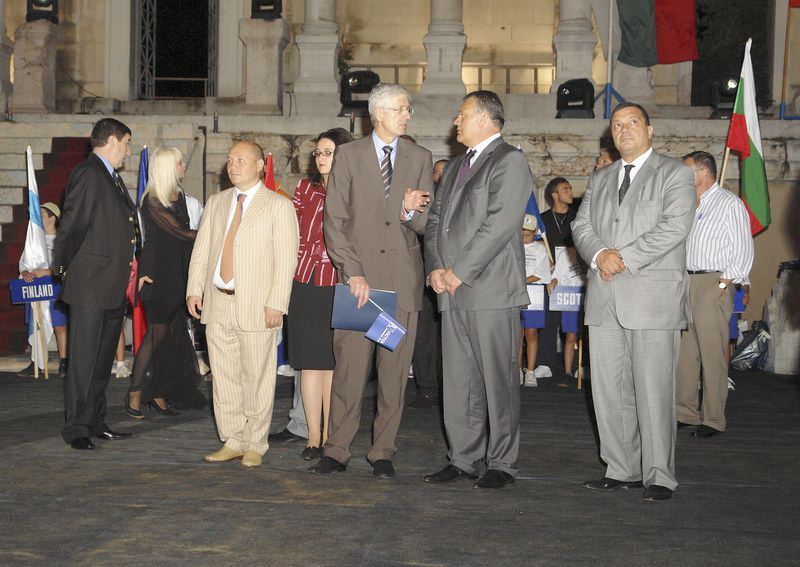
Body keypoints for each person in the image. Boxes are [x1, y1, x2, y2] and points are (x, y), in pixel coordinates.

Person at [571, 102, 695, 502]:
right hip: (604, 297)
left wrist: (621, 258)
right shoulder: (601, 177)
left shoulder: (674, 173)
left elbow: (675, 227)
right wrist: (598, 255)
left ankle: (659, 475)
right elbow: (581, 225)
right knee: (609, 391)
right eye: (616, 125)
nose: (624, 130)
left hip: (652, 298)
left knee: (654, 391)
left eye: (632, 123)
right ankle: (621, 468)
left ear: (649, 130)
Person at [310, 83, 433, 479]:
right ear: (378, 114)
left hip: (400, 285)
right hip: (359, 287)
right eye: (400, 109)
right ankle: (336, 450)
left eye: (408, 109)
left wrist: (408, 210)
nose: (407, 115)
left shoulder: (420, 157)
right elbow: (335, 220)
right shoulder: (348, 156)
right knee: (349, 373)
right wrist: (353, 272)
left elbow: (423, 224)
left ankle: (383, 452)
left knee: (393, 378)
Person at [424, 90, 532, 490]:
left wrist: (459, 271)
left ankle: (501, 461)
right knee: (458, 380)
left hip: (490, 289)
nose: (456, 121)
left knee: (498, 381)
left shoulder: (509, 160)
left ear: (486, 119)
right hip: (451, 289)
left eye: (463, 114)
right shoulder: (455, 165)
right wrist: (436, 268)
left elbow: (500, 224)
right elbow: (435, 220)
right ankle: (463, 457)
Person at [186, 140, 299, 468]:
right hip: (218, 302)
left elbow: (286, 261)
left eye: (240, 159)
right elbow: (202, 250)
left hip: (257, 305)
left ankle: (255, 443)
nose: (232, 165)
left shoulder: (278, 206)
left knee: (257, 377)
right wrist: (194, 289)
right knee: (224, 377)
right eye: (229, 159)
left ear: (260, 165)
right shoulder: (217, 202)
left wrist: (277, 303)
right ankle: (232, 439)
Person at [54, 117, 139, 451]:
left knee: (102, 361)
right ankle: (76, 428)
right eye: (127, 143)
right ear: (112, 140)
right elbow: (71, 225)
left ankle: (95, 421)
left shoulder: (110, 176)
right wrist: (63, 269)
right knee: (84, 362)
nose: (129, 152)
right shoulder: (89, 173)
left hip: (111, 284)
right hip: (90, 285)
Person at [125, 146, 208, 419]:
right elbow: (181, 233)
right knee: (155, 337)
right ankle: (135, 392)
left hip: (178, 276)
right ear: (169, 168)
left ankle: (158, 393)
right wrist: (214, 232)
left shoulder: (179, 196)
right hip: (158, 278)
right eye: (180, 162)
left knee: (168, 341)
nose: (184, 166)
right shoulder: (152, 201)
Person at [676, 151, 753, 438]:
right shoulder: (688, 204)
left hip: (713, 281)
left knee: (712, 353)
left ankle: (713, 418)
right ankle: (685, 412)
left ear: (703, 172)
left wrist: (723, 284)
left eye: (686, 171)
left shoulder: (729, 203)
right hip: (687, 281)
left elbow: (743, 249)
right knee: (686, 353)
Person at [287, 127, 354, 461]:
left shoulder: (357, 193)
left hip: (339, 284)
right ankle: (312, 436)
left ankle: (330, 435)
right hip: (304, 281)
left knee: (331, 364)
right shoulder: (305, 189)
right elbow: (293, 232)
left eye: (328, 152)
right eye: (318, 153)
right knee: (310, 364)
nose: (321, 158)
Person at [408, 157, 449, 409]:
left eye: (446, 172)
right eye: (437, 172)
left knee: (447, 339)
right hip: (421, 279)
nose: (441, 176)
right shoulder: (421, 201)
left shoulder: (455, 200)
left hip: (449, 278)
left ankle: (449, 390)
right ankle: (426, 389)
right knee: (423, 337)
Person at [18, 202, 69, 378]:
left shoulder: (62, 240)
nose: (37, 218)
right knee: (37, 324)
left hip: (55, 286)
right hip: (37, 288)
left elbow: (66, 264)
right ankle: (37, 363)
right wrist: (25, 272)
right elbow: (25, 262)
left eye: (42, 215)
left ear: (52, 217)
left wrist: (48, 272)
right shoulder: (33, 241)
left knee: (60, 325)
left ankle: (64, 362)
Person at [538, 177, 577, 380]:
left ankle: (578, 366)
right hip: (551, 276)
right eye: (565, 189)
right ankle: (545, 363)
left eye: (570, 189)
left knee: (576, 324)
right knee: (548, 320)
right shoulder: (543, 220)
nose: (571, 192)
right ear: (554, 195)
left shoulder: (578, 218)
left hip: (575, 276)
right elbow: (534, 246)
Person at [520, 213, 551, 388]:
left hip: (534, 294)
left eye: (528, 234)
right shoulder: (513, 247)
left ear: (535, 233)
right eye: (522, 234)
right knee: (516, 334)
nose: (524, 237)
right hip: (514, 292)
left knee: (531, 333)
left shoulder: (540, 249)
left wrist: (523, 280)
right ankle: (517, 370)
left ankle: (530, 371)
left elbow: (543, 273)